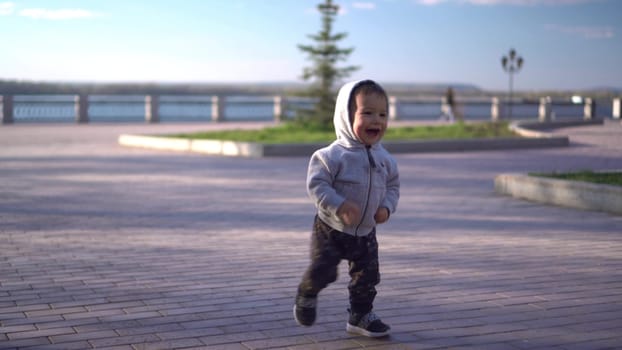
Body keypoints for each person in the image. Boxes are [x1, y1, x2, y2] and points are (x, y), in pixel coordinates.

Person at [293, 79, 400, 338]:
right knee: (324, 270)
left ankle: (360, 316)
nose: (377, 120)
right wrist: (338, 205)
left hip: (365, 231)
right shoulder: (331, 156)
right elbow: (316, 185)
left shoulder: (385, 159)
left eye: (383, 114)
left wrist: (386, 207)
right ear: (346, 116)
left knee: (368, 276)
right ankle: (307, 292)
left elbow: (393, 186)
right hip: (331, 228)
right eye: (367, 113)